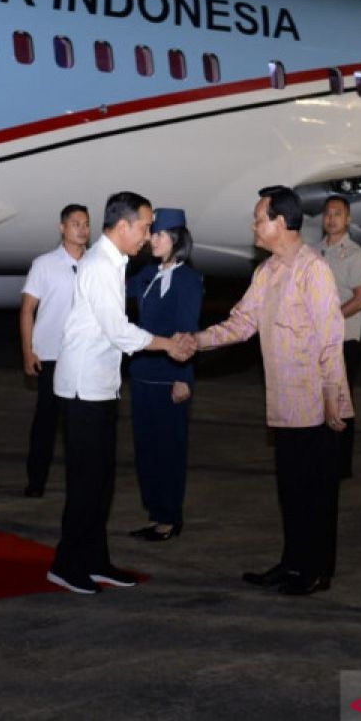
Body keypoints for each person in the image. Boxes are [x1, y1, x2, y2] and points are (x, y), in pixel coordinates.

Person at [194, 186, 351, 596]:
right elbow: (240, 324)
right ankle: (293, 562)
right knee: (291, 489)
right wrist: (194, 341)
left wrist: (333, 397)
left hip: (318, 403)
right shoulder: (267, 272)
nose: (254, 225)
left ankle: (317, 571)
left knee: (317, 492)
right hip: (285, 403)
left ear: (281, 222)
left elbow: (331, 337)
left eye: (259, 218)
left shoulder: (312, 269)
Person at [47, 191, 194, 595]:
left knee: (101, 482)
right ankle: (66, 564)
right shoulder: (98, 266)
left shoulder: (115, 264)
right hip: (82, 389)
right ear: (124, 225)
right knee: (85, 483)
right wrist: (168, 344)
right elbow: (119, 331)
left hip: (99, 386)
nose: (148, 236)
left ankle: (94, 560)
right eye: (145, 226)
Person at [127, 207, 204, 541]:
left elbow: (188, 330)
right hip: (142, 373)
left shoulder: (189, 280)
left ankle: (170, 517)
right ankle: (155, 513)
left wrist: (183, 377)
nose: (151, 240)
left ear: (175, 239)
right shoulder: (145, 274)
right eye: (151, 233)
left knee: (169, 450)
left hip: (169, 375)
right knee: (145, 450)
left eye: (157, 234)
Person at [19, 204, 90, 498]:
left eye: (86, 223)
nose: (82, 229)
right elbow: (27, 310)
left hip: (85, 356)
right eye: (75, 223)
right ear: (62, 228)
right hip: (50, 356)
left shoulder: (96, 264)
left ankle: (81, 483)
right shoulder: (44, 264)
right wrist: (28, 352)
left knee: (82, 425)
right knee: (46, 423)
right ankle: (36, 481)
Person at [317, 195, 361, 479]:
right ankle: (320, 457)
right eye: (327, 213)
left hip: (342, 341)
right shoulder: (313, 253)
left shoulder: (355, 255)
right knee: (316, 402)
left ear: (348, 219)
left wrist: (331, 319)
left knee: (340, 402)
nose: (331, 218)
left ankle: (340, 465)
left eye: (337, 214)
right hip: (315, 342)